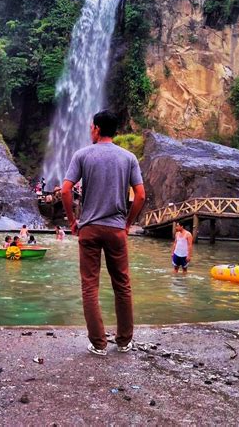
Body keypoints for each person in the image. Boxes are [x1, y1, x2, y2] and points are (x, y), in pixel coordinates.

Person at [61, 110, 145, 357]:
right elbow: (140, 195)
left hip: (89, 228)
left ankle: (98, 344)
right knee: (123, 285)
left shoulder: (82, 155)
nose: (90, 131)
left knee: (90, 286)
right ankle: (124, 341)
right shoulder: (129, 158)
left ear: (97, 129)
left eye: (91, 128)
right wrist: (127, 223)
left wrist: (73, 221)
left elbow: (66, 191)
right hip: (116, 228)